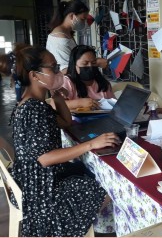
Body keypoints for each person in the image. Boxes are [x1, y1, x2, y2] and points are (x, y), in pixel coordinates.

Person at [10, 46, 120, 236]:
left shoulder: (33, 103)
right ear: (35, 76)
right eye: (52, 68)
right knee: (105, 187)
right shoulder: (33, 111)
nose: (58, 72)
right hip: (40, 188)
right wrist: (91, 144)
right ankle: (70, 231)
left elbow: (66, 121)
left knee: (90, 171)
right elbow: (44, 158)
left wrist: (57, 95)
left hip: (35, 177)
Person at [47, 0, 107, 72]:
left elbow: (74, 60)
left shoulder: (67, 33)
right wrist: (95, 63)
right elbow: (64, 70)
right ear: (72, 16)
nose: (85, 23)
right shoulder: (59, 39)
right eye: (83, 19)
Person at [60, 45, 115, 110]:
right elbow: (56, 104)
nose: (90, 66)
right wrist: (80, 103)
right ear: (75, 65)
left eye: (93, 63)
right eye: (85, 63)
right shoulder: (68, 81)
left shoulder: (103, 83)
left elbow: (114, 105)